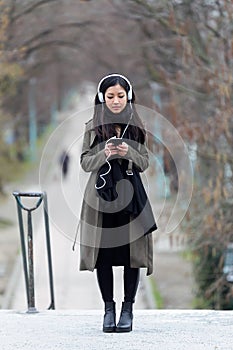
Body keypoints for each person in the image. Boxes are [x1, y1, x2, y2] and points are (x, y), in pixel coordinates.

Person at [78, 73, 157, 333]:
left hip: (131, 199)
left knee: (131, 257)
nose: (115, 101)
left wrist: (128, 152)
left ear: (128, 97)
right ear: (102, 98)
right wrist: (105, 153)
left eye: (120, 96)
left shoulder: (137, 127)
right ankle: (108, 309)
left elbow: (144, 162)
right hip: (101, 201)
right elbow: (85, 162)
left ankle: (128, 310)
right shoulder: (92, 126)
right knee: (103, 256)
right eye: (110, 96)